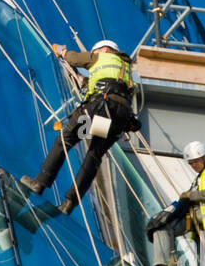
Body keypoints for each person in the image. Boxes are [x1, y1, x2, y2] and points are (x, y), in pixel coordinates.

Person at [19, 39, 139, 214]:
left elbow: (74, 59)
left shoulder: (101, 57)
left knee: (66, 139)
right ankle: (70, 202)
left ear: (104, 49)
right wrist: (87, 83)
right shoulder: (126, 70)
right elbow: (113, 87)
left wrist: (61, 50)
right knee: (94, 154)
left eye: (95, 50)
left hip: (99, 109)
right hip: (117, 117)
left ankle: (39, 183)